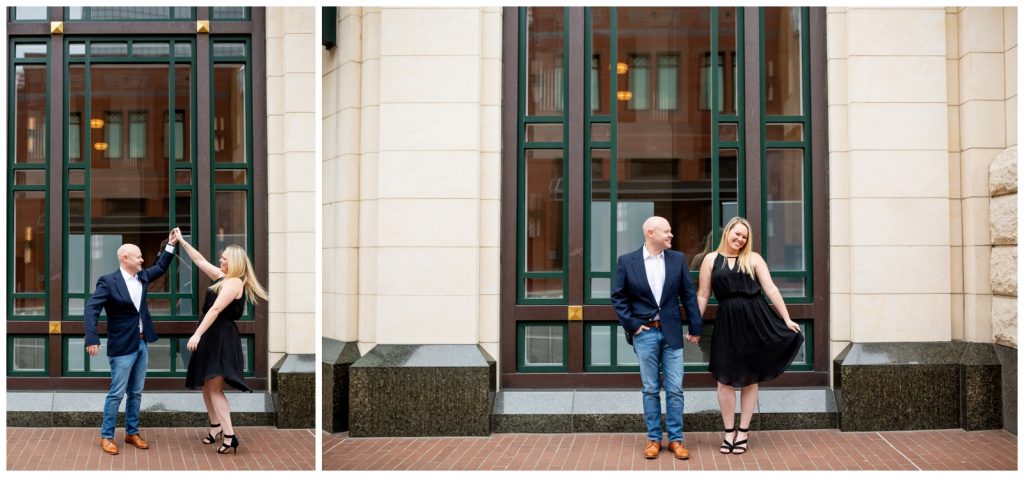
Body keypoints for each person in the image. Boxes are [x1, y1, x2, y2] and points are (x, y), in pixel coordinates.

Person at [696, 217, 803, 455]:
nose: (740, 239)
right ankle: (729, 431)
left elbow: (771, 288)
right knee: (724, 380)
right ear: (728, 233)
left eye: (744, 236)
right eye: (737, 234)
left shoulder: (753, 259)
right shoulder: (710, 260)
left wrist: (786, 318)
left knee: (749, 378)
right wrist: (695, 325)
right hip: (726, 323)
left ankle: (743, 431)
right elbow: (703, 295)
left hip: (755, 321)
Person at [611, 216, 703, 460]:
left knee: (675, 389)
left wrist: (695, 326)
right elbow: (618, 298)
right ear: (651, 233)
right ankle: (653, 439)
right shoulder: (627, 262)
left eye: (671, 231)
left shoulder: (677, 259)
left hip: (672, 332)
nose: (671, 235)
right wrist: (634, 326)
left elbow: (688, 295)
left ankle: (676, 439)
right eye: (667, 231)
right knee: (650, 389)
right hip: (645, 334)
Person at [173, 227, 268, 455]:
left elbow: (215, 309)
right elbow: (200, 260)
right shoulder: (224, 277)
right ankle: (215, 427)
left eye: (224, 258)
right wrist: (181, 241)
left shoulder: (234, 283)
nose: (220, 260)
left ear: (233, 262)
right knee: (206, 386)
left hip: (220, 338)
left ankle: (230, 435)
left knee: (215, 388)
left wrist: (197, 334)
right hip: (212, 335)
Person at [85, 231, 178, 455]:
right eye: (138, 257)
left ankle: (131, 432)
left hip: (141, 343)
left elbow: (160, 267)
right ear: (125, 258)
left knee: (136, 393)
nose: (142, 260)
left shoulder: (143, 277)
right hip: (121, 346)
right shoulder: (108, 281)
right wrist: (92, 337)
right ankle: (106, 436)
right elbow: (91, 308)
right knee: (116, 393)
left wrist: (171, 245)